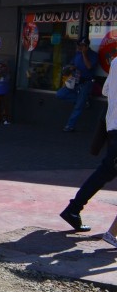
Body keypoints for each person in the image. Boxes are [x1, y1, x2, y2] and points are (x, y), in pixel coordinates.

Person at [60, 68, 117, 235]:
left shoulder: (115, 60)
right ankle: (74, 209)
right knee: (105, 172)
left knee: (105, 172)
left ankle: (73, 209)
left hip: (112, 124)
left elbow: (106, 90)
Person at [57, 37, 99, 132]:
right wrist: (70, 67)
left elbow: (89, 66)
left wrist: (84, 53)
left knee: (78, 107)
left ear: (86, 46)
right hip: (75, 81)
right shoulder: (77, 55)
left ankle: (70, 125)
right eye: (78, 45)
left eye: (81, 46)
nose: (79, 47)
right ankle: (83, 102)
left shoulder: (93, 55)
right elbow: (71, 64)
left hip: (86, 82)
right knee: (60, 94)